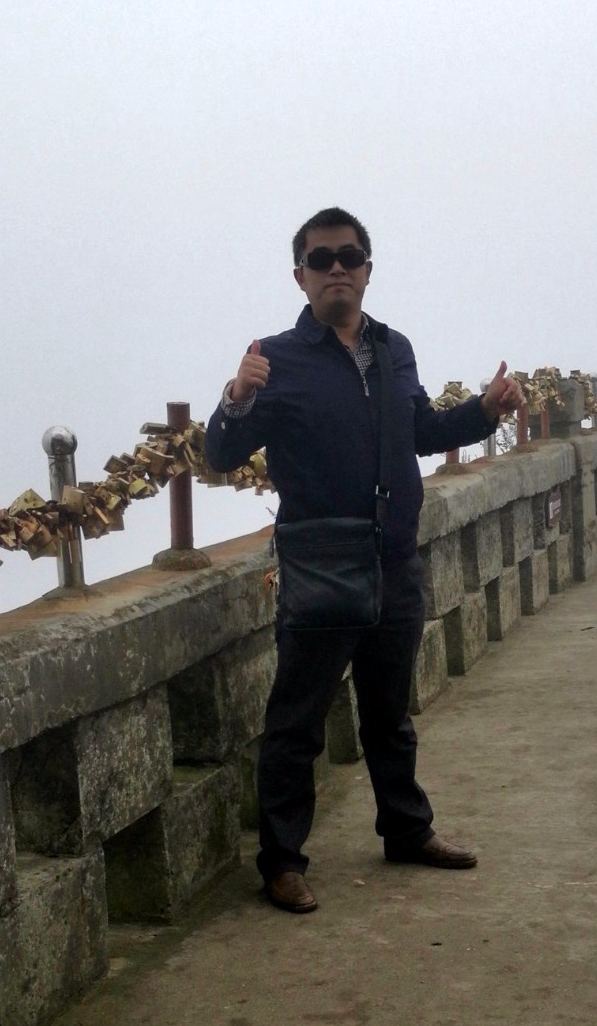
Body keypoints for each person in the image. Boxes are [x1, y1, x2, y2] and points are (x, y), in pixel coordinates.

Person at [204, 207, 526, 915]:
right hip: (322, 561)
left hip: (393, 557)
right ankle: (282, 862)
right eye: (320, 259)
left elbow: (420, 430)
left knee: (390, 712)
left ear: (368, 270)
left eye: (349, 256)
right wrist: (237, 397)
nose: (336, 268)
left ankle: (406, 830)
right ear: (300, 277)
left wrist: (484, 409)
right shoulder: (276, 359)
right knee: (297, 721)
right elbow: (220, 455)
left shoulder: (393, 348)